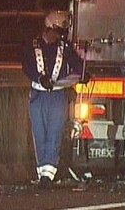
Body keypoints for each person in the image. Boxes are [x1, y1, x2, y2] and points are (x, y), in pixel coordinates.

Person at [22, 11, 85, 188]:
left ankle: (48, 175)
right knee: (39, 133)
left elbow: (77, 63)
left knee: (54, 133)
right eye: (56, 31)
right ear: (48, 28)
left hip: (57, 95)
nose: (58, 36)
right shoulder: (31, 45)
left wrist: (83, 73)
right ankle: (42, 172)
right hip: (38, 95)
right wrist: (38, 77)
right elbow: (26, 66)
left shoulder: (64, 48)